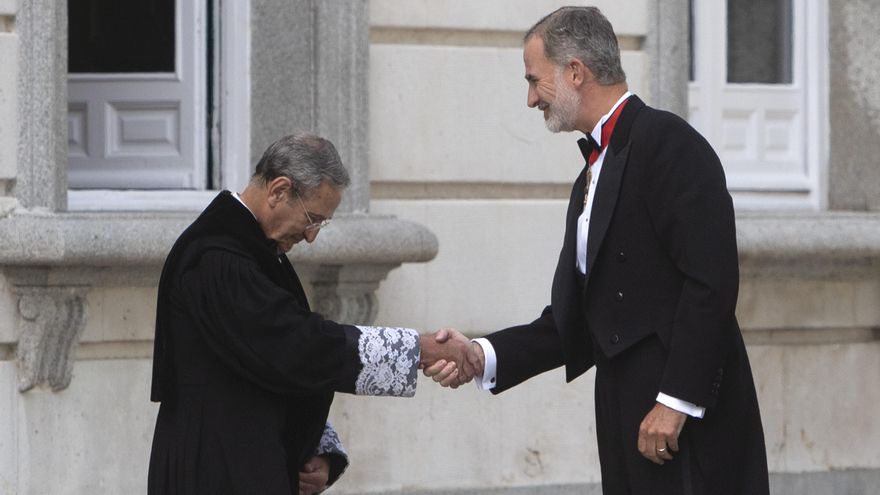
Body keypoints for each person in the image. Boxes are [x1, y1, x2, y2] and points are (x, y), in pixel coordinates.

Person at [424, 7, 770, 495]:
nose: (529, 99)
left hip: (686, 427)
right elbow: (581, 317)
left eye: (533, 80)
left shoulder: (670, 143)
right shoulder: (590, 174)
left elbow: (712, 283)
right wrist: (482, 353)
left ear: (574, 72)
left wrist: (676, 401)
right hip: (625, 415)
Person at [148, 133, 471, 495]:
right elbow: (297, 345)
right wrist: (417, 350)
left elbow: (275, 369)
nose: (312, 236)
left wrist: (320, 450)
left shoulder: (255, 249)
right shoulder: (217, 258)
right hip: (215, 470)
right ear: (279, 191)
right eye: (312, 219)